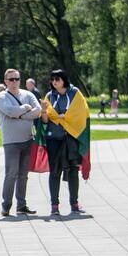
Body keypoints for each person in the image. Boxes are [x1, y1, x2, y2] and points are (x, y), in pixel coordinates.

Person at [40, 69, 89, 215]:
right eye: (52, 79)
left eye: (57, 79)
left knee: (73, 170)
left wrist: (64, 118)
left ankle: (74, 203)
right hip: (54, 139)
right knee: (54, 171)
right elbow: (46, 120)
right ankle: (54, 206)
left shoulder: (75, 93)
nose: (54, 82)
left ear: (64, 79)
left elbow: (82, 113)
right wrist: (43, 111)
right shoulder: (49, 96)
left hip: (71, 137)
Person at [0, 69, 41, 217]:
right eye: (11, 79)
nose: (14, 81)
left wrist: (19, 115)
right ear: (5, 81)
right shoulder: (1, 97)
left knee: (23, 175)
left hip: (28, 140)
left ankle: (21, 205)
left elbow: (38, 110)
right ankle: (6, 206)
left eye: (16, 79)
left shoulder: (28, 94)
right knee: (11, 174)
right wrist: (24, 110)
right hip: (11, 142)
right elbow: (9, 111)